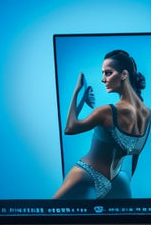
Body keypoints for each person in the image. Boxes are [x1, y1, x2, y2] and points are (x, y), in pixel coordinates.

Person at [54, 50, 150, 199]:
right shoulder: (147, 114)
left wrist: (78, 91)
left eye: (107, 73)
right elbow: (135, 156)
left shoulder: (106, 112)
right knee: (124, 221)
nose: (103, 79)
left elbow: (70, 127)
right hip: (118, 180)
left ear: (124, 74)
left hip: (85, 174)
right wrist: (123, 181)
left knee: (47, 217)